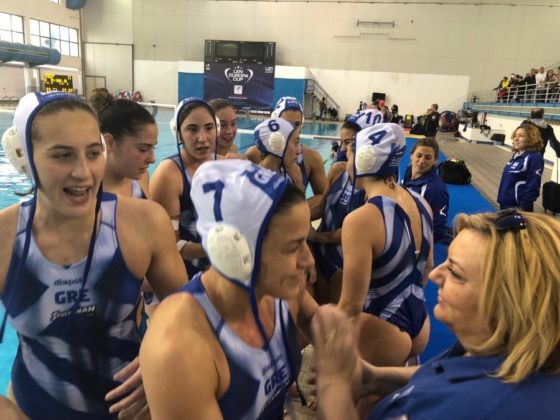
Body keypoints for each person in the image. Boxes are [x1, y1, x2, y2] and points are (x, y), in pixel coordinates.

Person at [0, 92, 187, 419]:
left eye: (93, 152)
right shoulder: (4, 237)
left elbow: (189, 314)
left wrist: (161, 361)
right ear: (26, 156)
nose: (83, 172)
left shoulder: (144, 223)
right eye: (62, 155)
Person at [312, 210, 560, 420]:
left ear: (507, 303)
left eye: (455, 273)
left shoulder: (476, 408)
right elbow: (440, 373)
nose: (434, 275)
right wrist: (372, 378)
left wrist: (334, 387)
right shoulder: (495, 348)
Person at [140, 159, 318, 419]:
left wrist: (334, 349)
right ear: (236, 253)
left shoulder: (279, 290)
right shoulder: (180, 347)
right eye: (293, 247)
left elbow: (318, 321)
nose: (308, 260)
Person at [337, 123, 433, 369]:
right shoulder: (421, 203)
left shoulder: (361, 220)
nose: (346, 162)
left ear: (363, 160)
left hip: (381, 326)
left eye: (349, 155)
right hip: (419, 318)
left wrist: (328, 345)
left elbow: (350, 306)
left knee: (353, 393)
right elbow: (427, 266)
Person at [150, 97, 218, 278]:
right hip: (180, 277)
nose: (202, 138)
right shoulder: (169, 175)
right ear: (178, 133)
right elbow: (170, 246)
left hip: (215, 272)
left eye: (209, 128)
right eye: (192, 129)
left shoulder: (223, 166)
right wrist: (218, 247)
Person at [246, 97, 328, 210]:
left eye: (297, 124)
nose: (292, 128)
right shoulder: (254, 154)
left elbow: (323, 197)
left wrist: (294, 213)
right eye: (287, 123)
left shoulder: (312, 157)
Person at [89, 89, 157, 199]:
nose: (152, 159)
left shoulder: (142, 177)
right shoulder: (87, 194)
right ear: (109, 143)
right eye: (143, 149)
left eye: (153, 148)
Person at [402, 137, 450, 244]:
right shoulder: (408, 171)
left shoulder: (436, 189)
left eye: (428, 158)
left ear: (435, 161)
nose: (421, 161)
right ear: (411, 155)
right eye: (419, 155)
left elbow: (437, 227)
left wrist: (420, 247)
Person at [497, 124, 544, 212]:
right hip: (505, 204)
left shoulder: (534, 158)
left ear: (531, 139)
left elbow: (533, 186)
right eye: (515, 135)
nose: (516, 139)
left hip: (518, 208)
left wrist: (523, 207)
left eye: (521, 136)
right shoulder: (517, 155)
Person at [254, 117, 304, 191]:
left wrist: (298, 183)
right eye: (296, 142)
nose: (298, 151)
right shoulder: (255, 185)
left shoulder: (294, 171)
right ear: (278, 144)